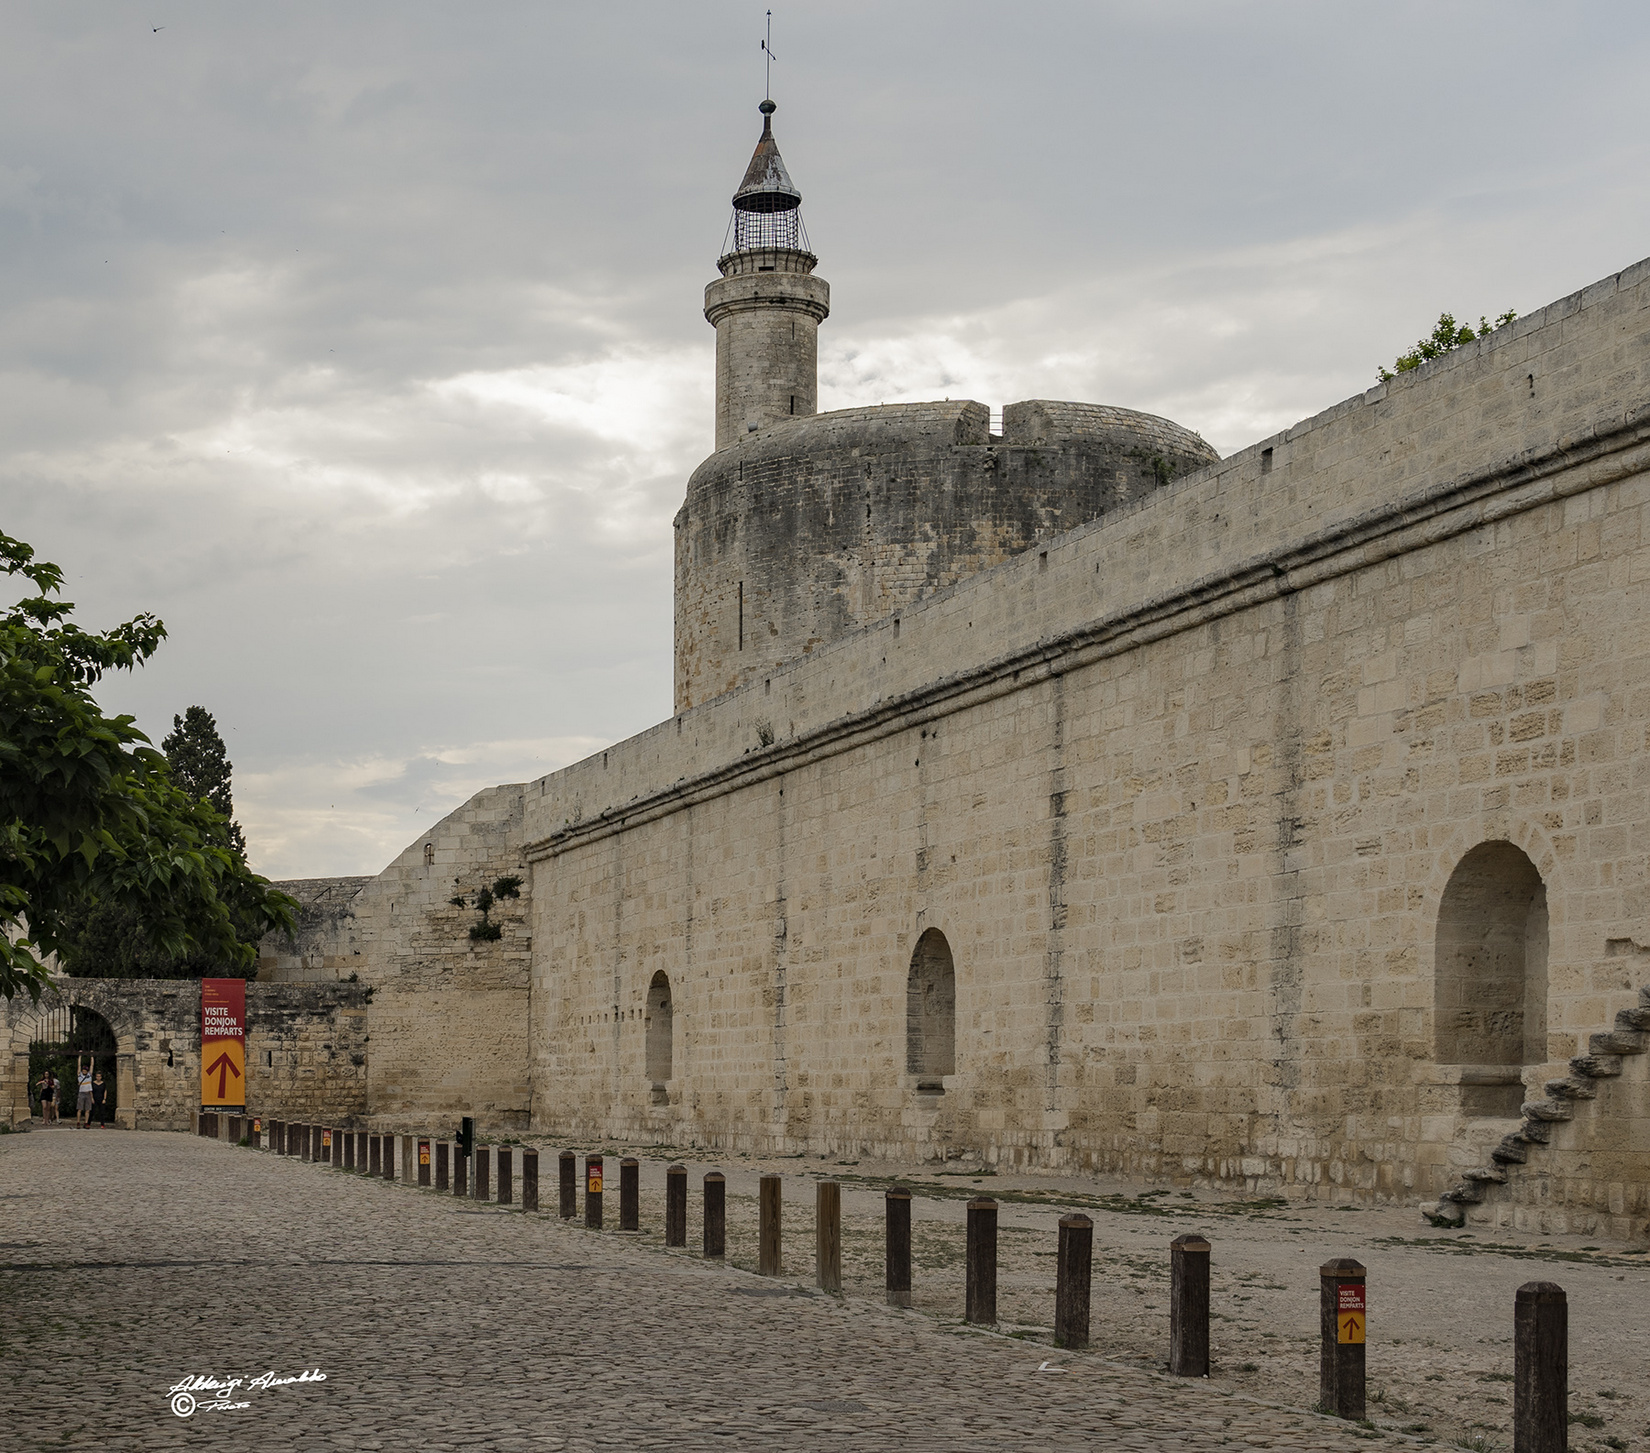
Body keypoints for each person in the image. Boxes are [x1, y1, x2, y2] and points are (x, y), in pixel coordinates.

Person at [75, 1054, 93, 1129]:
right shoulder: (80, 1075)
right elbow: (78, 1065)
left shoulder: (89, 1075)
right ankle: (78, 1122)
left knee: (87, 1110)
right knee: (79, 1109)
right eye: (83, 1070)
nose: (84, 1071)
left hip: (88, 1093)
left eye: (85, 1070)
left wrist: (92, 1056)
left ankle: (86, 1123)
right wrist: (80, 1056)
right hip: (81, 1093)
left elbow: (92, 1065)